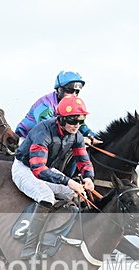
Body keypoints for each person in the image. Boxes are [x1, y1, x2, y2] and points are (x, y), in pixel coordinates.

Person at [12, 95, 95, 261]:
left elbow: (83, 160)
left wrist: (88, 177)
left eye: (81, 120)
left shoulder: (76, 135)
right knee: (47, 197)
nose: (77, 125)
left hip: (47, 169)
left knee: (78, 195)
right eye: (73, 121)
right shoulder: (43, 131)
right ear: (61, 119)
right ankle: (29, 247)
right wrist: (69, 181)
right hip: (26, 168)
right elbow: (38, 169)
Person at [15, 71, 98, 142]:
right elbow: (48, 129)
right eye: (70, 90)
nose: (74, 95)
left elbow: (78, 123)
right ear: (59, 89)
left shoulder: (72, 106)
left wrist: (91, 135)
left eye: (77, 92)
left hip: (48, 138)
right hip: (26, 138)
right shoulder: (45, 104)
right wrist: (80, 139)